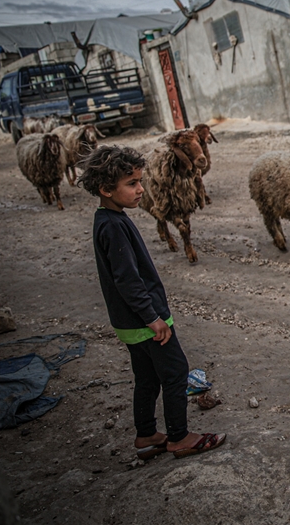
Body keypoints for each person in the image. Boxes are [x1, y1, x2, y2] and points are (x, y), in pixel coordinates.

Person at [78, 145, 226, 458]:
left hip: (128, 322)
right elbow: (128, 280)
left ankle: (146, 433)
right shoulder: (114, 227)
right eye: (132, 184)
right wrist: (153, 317)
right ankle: (179, 437)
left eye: (140, 181)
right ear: (106, 189)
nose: (141, 189)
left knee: (146, 378)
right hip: (146, 321)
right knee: (175, 372)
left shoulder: (107, 219)